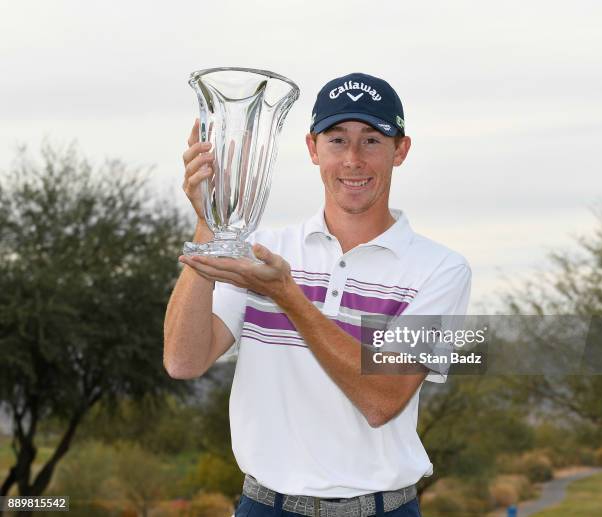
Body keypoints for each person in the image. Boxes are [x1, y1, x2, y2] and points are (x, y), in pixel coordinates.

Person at [164, 72, 472, 517]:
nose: (352, 159)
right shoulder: (263, 252)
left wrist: (287, 295)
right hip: (263, 506)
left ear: (400, 150)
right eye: (336, 140)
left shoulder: (440, 270)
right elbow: (183, 361)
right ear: (312, 148)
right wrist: (209, 223)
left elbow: (382, 399)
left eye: (371, 140)